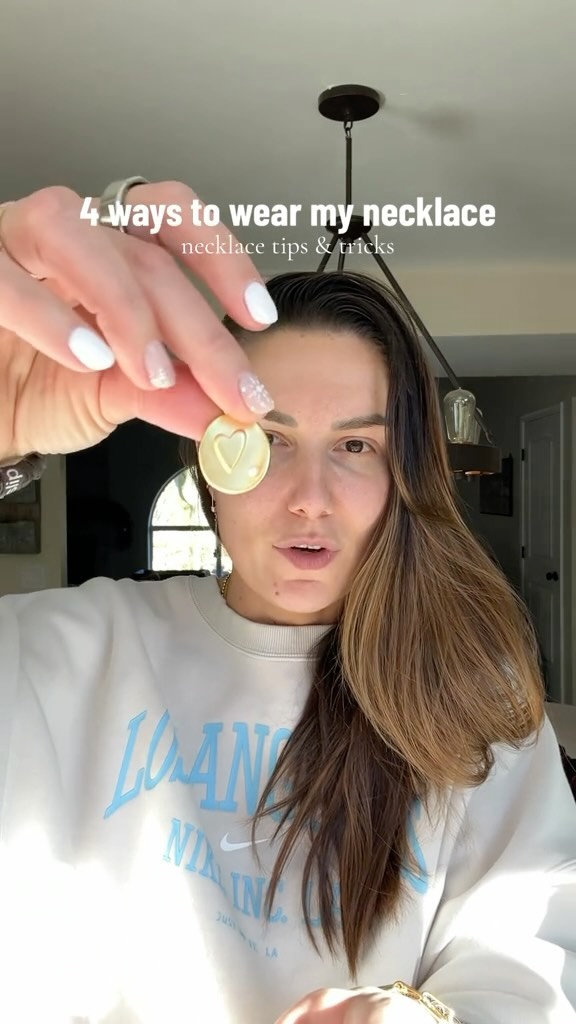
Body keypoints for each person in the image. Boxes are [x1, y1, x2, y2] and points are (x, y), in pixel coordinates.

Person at [0, 179, 574, 1024]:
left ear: (405, 477)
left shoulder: (477, 700)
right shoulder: (54, 654)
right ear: (210, 465)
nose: (310, 498)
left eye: (357, 445)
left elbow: (530, 964)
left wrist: (428, 1017)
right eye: (267, 439)